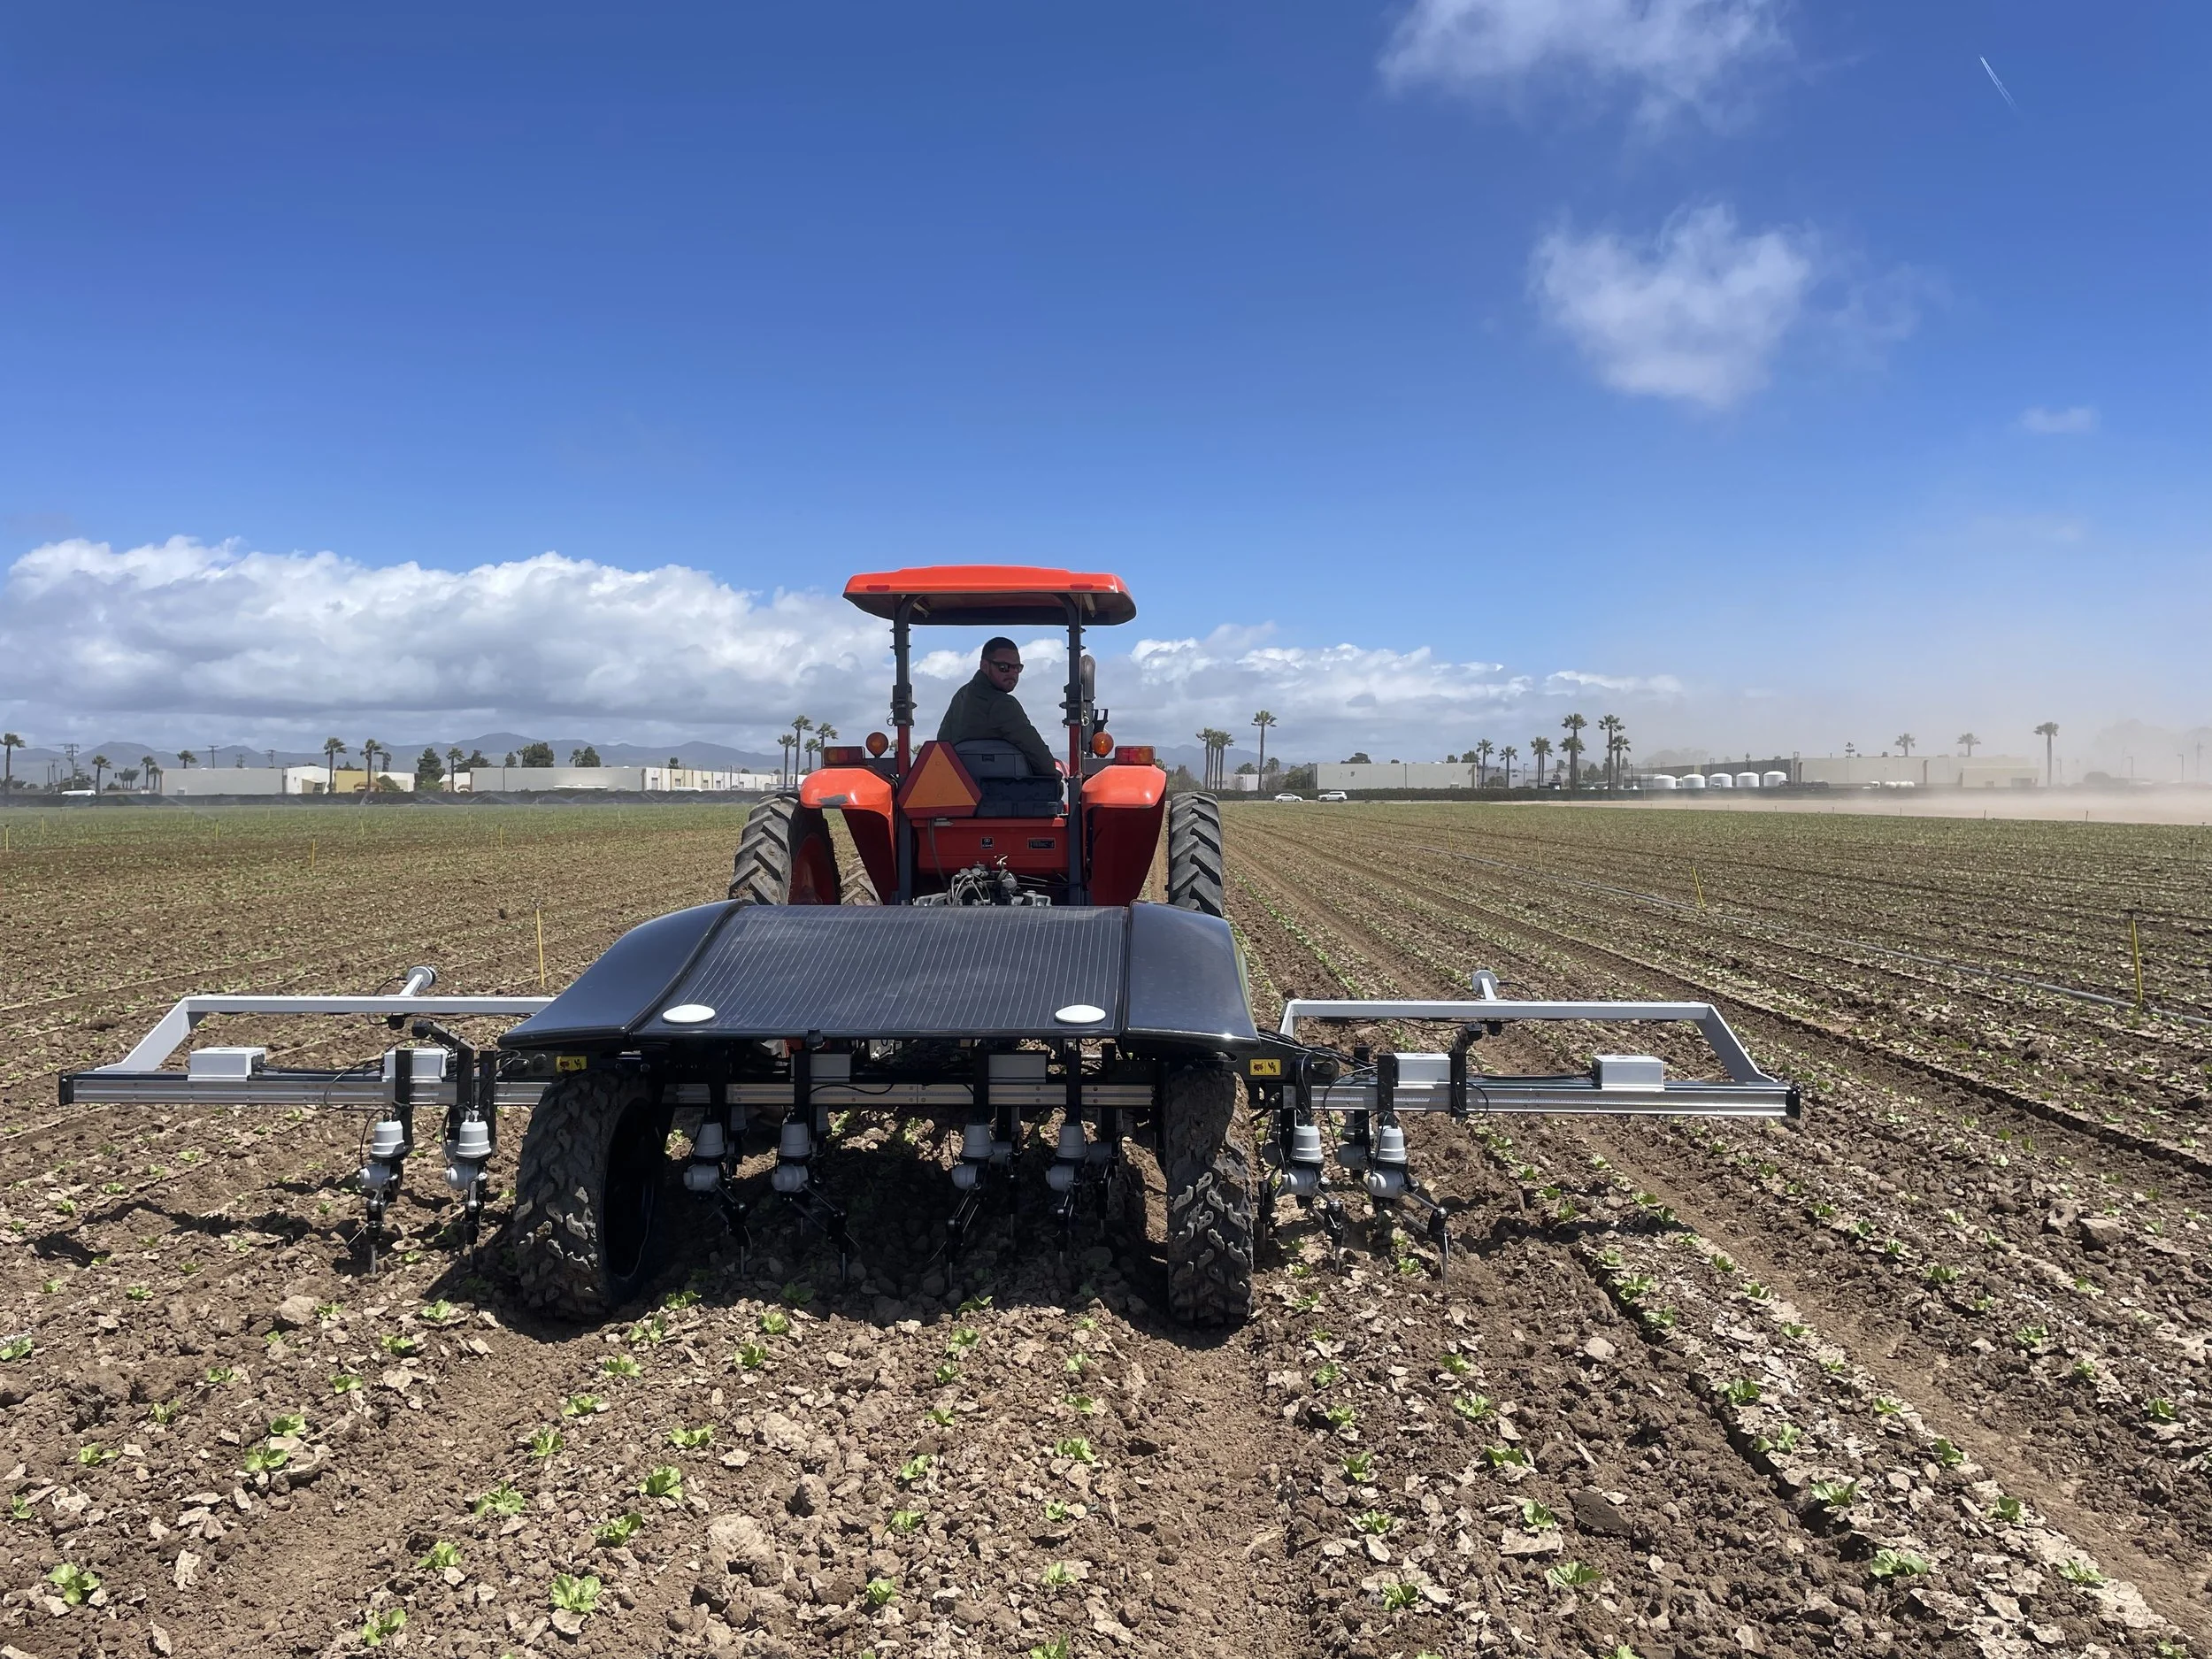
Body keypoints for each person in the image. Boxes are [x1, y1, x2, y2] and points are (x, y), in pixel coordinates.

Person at [936, 637, 1059, 778]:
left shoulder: (961, 696)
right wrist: (1054, 779)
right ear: (984, 666)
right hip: (1005, 794)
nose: (1012, 673)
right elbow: (1036, 752)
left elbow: (942, 743)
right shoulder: (1003, 704)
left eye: (1017, 668)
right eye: (1004, 667)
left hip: (960, 789)